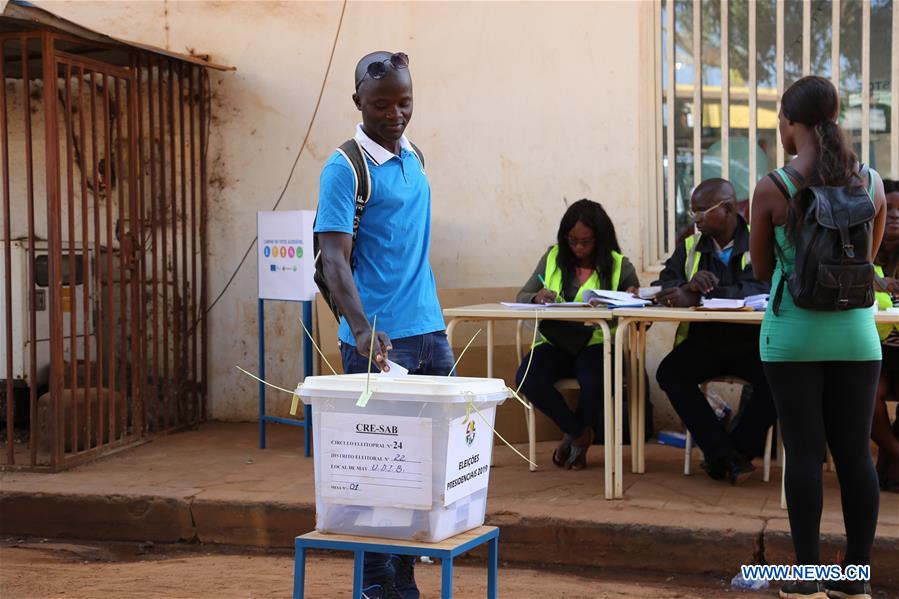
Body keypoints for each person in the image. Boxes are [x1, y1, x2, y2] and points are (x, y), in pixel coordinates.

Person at [315, 50, 452, 599]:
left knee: (421, 474)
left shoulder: (415, 154)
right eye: (381, 104)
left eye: (404, 102)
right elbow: (333, 259)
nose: (395, 114)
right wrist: (363, 328)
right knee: (378, 474)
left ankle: (405, 585)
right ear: (357, 103)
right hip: (377, 345)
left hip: (430, 335)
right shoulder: (343, 168)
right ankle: (376, 585)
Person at [750, 75, 886, 599]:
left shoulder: (773, 188)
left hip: (793, 337)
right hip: (856, 335)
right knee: (855, 456)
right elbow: (867, 263)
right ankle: (855, 579)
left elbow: (762, 270)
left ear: (790, 124)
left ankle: (805, 581)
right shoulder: (871, 182)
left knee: (804, 454)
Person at [653, 178, 776, 485]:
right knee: (670, 373)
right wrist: (683, 287)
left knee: (780, 380)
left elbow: (761, 287)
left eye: (701, 211)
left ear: (728, 208)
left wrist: (703, 295)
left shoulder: (761, 241)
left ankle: (731, 453)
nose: (695, 219)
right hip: (706, 341)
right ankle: (729, 457)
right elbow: (662, 284)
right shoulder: (690, 247)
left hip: (754, 342)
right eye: (692, 212)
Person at [515, 199, 640, 470]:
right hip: (556, 340)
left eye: (587, 242)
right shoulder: (552, 257)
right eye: (572, 241)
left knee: (595, 384)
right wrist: (537, 296)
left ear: (601, 239)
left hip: (598, 342)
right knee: (527, 379)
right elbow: (522, 294)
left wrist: (629, 298)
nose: (579, 248)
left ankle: (575, 439)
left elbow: (639, 310)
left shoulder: (620, 266)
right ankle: (579, 433)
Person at [872, 178, 899, 492]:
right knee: (868, 398)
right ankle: (894, 453)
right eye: (888, 208)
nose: (893, 214)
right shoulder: (861, 254)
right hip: (874, 348)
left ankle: (888, 462)